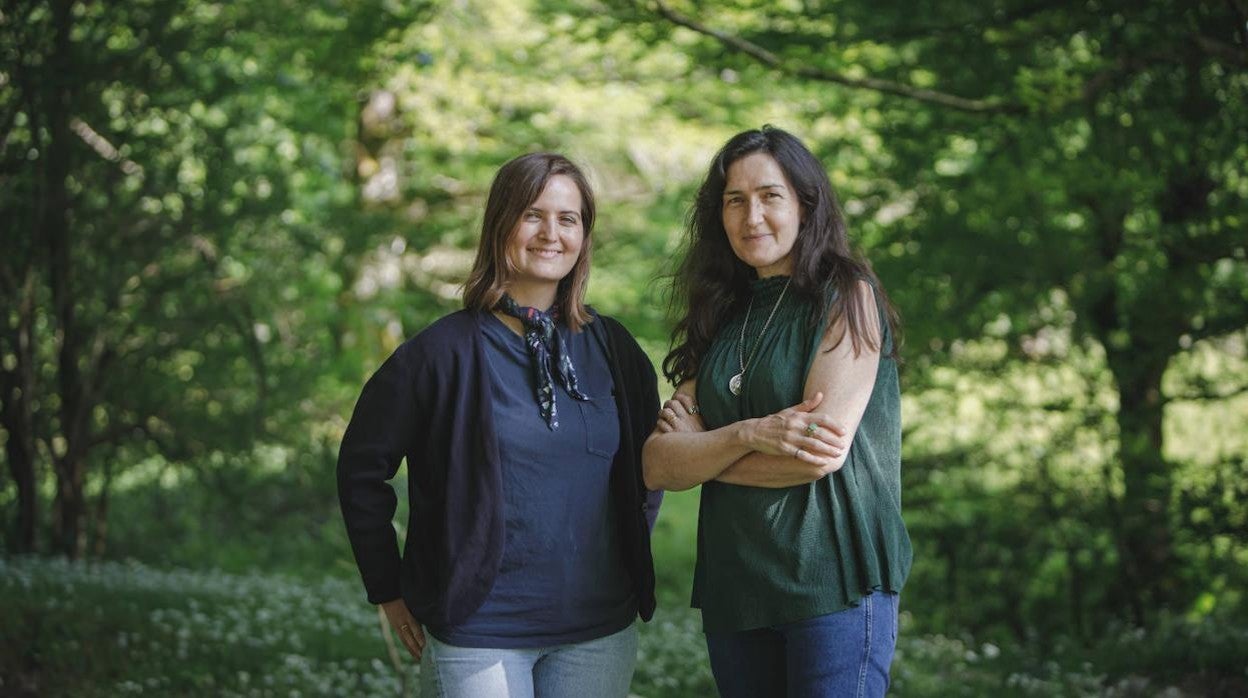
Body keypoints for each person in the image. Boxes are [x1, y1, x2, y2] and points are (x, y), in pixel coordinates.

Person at [337, 152, 662, 698]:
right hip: (478, 634)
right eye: (532, 214)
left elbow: (648, 466)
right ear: (500, 223)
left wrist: (628, 554)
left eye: (568, 219)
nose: (550, 233)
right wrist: (388, 588)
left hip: (598, 632)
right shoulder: (440, 354)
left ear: (584, 235)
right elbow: (360, 468)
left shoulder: (615, 349)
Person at [642, 126, 911, 697]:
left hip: (831, 578)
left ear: (806, 205)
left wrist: (706, 452)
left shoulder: (847, 296)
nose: (751, 216)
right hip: (737, 585)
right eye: (734, 201)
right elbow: (658, 465)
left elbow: (816, 454)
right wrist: (754, 433)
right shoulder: (721, 315)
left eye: (770, 196)